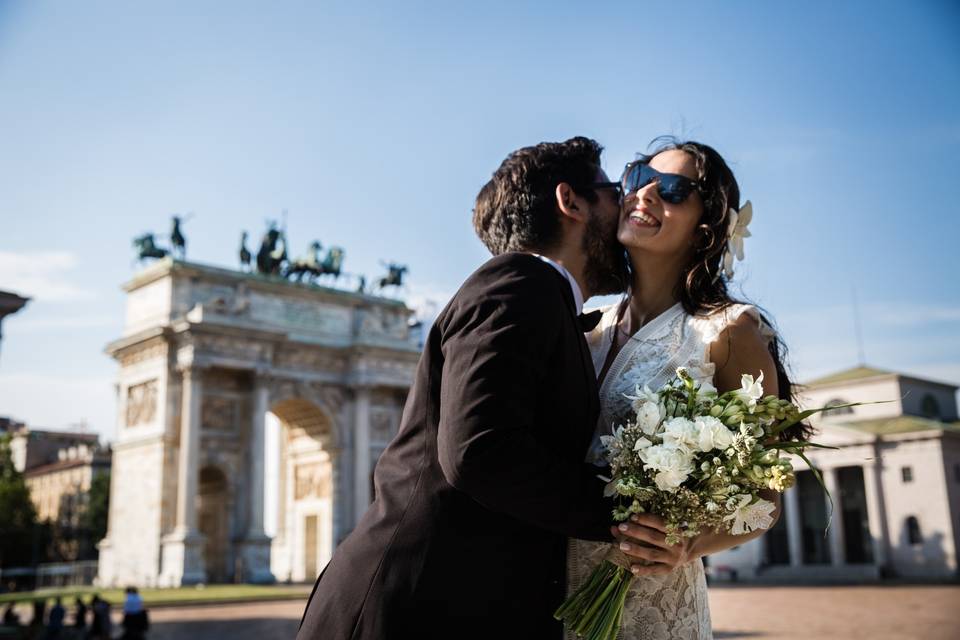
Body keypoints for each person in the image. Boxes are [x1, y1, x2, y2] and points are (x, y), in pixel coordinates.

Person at [297, 136, 630, 640]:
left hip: (442, 598)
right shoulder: (519, 282)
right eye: (615, 192)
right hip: (416, 607)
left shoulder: (537, 295)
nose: (627, 206)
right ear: (572, 202)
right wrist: (629, 508)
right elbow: (479, 450)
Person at [567, 138, 810, 639]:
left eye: (675, 190)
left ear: (707, 227)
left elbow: (763, 497)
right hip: (550, 591)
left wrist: (688, 543)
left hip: (653, 601)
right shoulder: (582, 326)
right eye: (637, 177)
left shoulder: (729, 330)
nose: (646, 194)